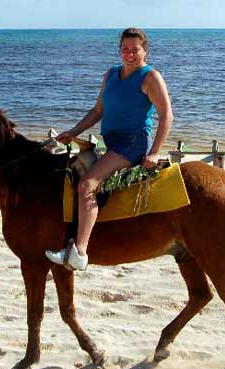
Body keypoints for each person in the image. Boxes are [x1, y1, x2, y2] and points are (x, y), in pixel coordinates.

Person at [45, 27, 174, 270]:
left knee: (87, 185)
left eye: (135, 49)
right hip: (112, 143)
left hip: (133, 143)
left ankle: (79, 252)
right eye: (125, 49)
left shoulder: (150, 77)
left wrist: (155, 152)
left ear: (144, 50)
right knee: (72, 174)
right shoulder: (111, 75)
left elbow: (166, 116)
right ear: (119, 51)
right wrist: (73, 132)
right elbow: (98, 111)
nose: (129, 54)